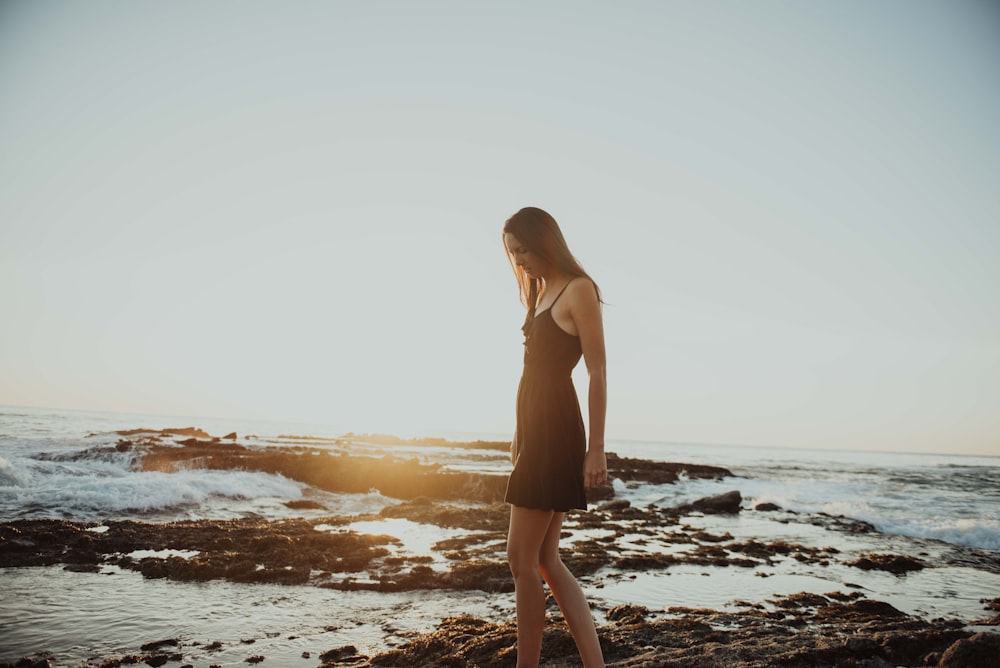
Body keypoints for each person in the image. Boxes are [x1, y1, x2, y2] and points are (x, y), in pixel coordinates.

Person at [502, 206, 607, 668]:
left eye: (523, 249)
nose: (519, 260)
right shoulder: (539, 293)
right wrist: (517, 434)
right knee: (545, 560)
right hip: (535, 432)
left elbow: (598, 371)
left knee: (519, 559)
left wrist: (596, 449)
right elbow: (531, 373)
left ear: (545, 242)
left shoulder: (578, 289)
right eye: (512, 253)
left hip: (555, 432)